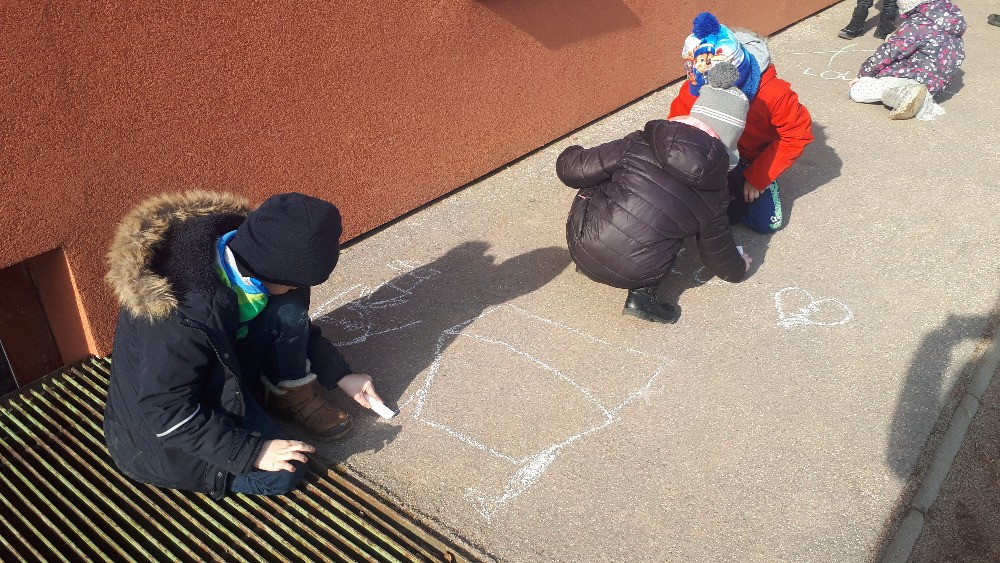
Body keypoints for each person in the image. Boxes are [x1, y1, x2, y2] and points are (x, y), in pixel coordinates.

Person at [103, 190, 384, 498]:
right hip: (161, 436)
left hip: (221, 366)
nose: (297, 288)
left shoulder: (250, 249)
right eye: (295, 282)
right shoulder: (182, 314)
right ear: (275, 270)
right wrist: (252, 452)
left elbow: (296, 322)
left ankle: (288, 394)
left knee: (288, 310)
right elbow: (165, 411)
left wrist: (340, 374)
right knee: (283, 474)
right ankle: (258, 406)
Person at [558, 62, 753, 324]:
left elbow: (571, 170)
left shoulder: (641, 142)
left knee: (599, 176)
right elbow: (717, 251)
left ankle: (595, 257)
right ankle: (642, 297)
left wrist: (573, 151)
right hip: (638, 272)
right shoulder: (717, 193)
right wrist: (738, 268)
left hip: (582, 245)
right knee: (673, 221)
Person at [667, 12, 813, 235]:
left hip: (754, 159)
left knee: (767, 223)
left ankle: (751, 182)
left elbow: (797, 134)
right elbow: (676, 129)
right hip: (717, 154)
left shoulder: (773, 93)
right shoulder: (692, 89)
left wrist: (758, 177)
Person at [847, 0, 965, 120]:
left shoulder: (917, 25)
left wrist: (864, 74)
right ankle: (915, 93)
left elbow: (889, 52)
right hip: (937, 82)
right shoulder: (948, 19)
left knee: (857, 90)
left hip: (919, 77)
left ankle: (905, 93)